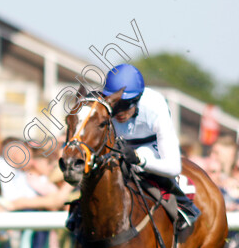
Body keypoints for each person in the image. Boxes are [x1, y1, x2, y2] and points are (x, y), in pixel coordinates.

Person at [67, 63, 199, 231]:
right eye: (116, 104)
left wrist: (139, 159)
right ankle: (80, 208)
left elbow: (174, 167)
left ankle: (183, 206)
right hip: (118, 146)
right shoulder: (102, 104)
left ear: (137, 99)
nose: (119, 112)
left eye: (126, 104)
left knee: (138, 164)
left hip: (150, 147)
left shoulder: (155, 107)